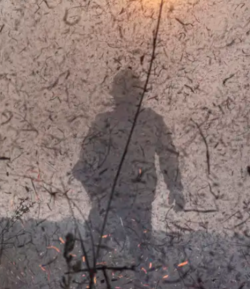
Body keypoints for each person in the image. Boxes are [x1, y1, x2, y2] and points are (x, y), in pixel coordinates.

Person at [73, 68, 184, 261]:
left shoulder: (152, 121)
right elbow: (83, 166)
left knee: (140, 255)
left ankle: (138, 283)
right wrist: (97, 196)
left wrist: (175, 188)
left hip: (136, 201)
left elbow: (168, 155)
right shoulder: (104, 123)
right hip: (110, 200)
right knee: (96, 255)